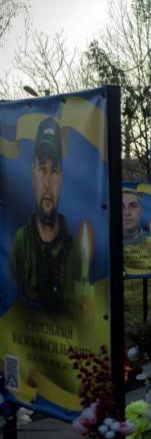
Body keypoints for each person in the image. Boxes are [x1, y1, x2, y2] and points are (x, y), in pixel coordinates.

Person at [10, 117, 84, 314]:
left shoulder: (76, 249)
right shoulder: (20, 244)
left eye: (54, 171)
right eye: (42, 169)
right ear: (33, 175)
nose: (47, 182)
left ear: (62, 179)